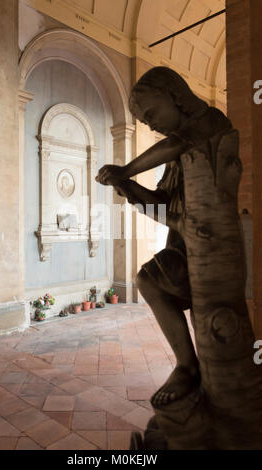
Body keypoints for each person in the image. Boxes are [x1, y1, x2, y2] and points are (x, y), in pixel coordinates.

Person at [96, 67, 232, 406]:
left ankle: (191, 370)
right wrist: (125, 184)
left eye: (152, 114)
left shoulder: (211, 123)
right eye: (145, 121)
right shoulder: (175, 157)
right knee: (150, 280)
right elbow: (161, 208)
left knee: (218, 338)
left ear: (174, 95)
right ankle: (188, 367)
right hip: (186, 245)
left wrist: (127, 170)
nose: (152, 125)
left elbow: (179, 141)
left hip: (215, 248)